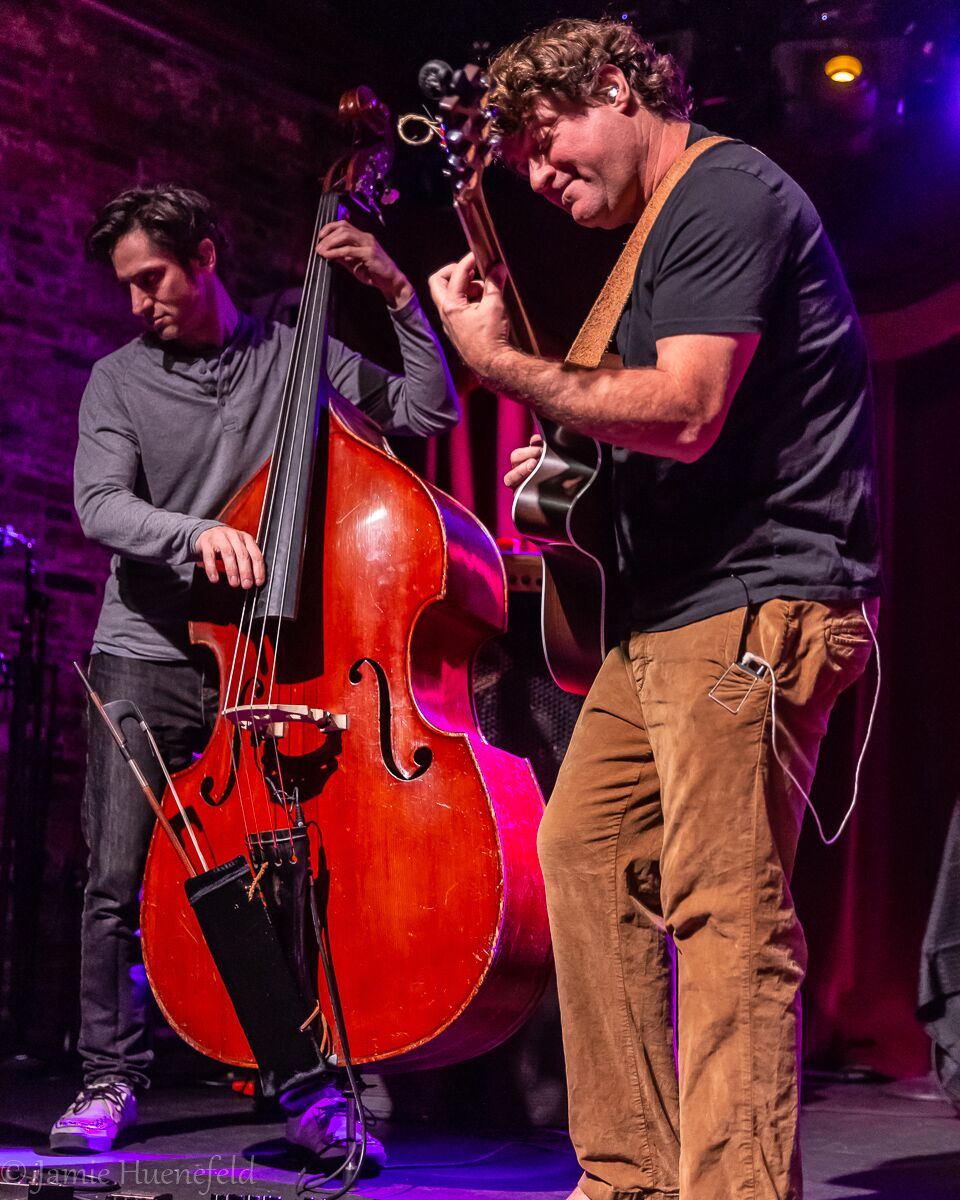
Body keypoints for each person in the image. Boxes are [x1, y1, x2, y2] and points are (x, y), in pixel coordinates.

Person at [429, 17, 880, 1200]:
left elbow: (684, 409)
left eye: (547, 140)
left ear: (620, 89)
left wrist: (499, 368)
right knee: (580, 852)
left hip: (753, 601)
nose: (537, 174)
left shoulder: (724, 194)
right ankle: (630, 1179)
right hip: (667, 615)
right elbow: (650, 433)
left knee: (725, 910)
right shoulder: (662, 234)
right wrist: (568, 473)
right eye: (518, 157)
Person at [52, 185, 459, 1155]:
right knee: (115, 878)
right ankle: (110, 1080)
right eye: (127, 286)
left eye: (151, 278)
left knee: (281, 881)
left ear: (206, 253)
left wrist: (403, 296)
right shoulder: (116, 381)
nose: (137, 302)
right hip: (147, 652)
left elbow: (424, 411)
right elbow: (101, 506)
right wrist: (198, 537)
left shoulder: (295, 351)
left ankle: (306, 1081)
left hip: (275, 661)